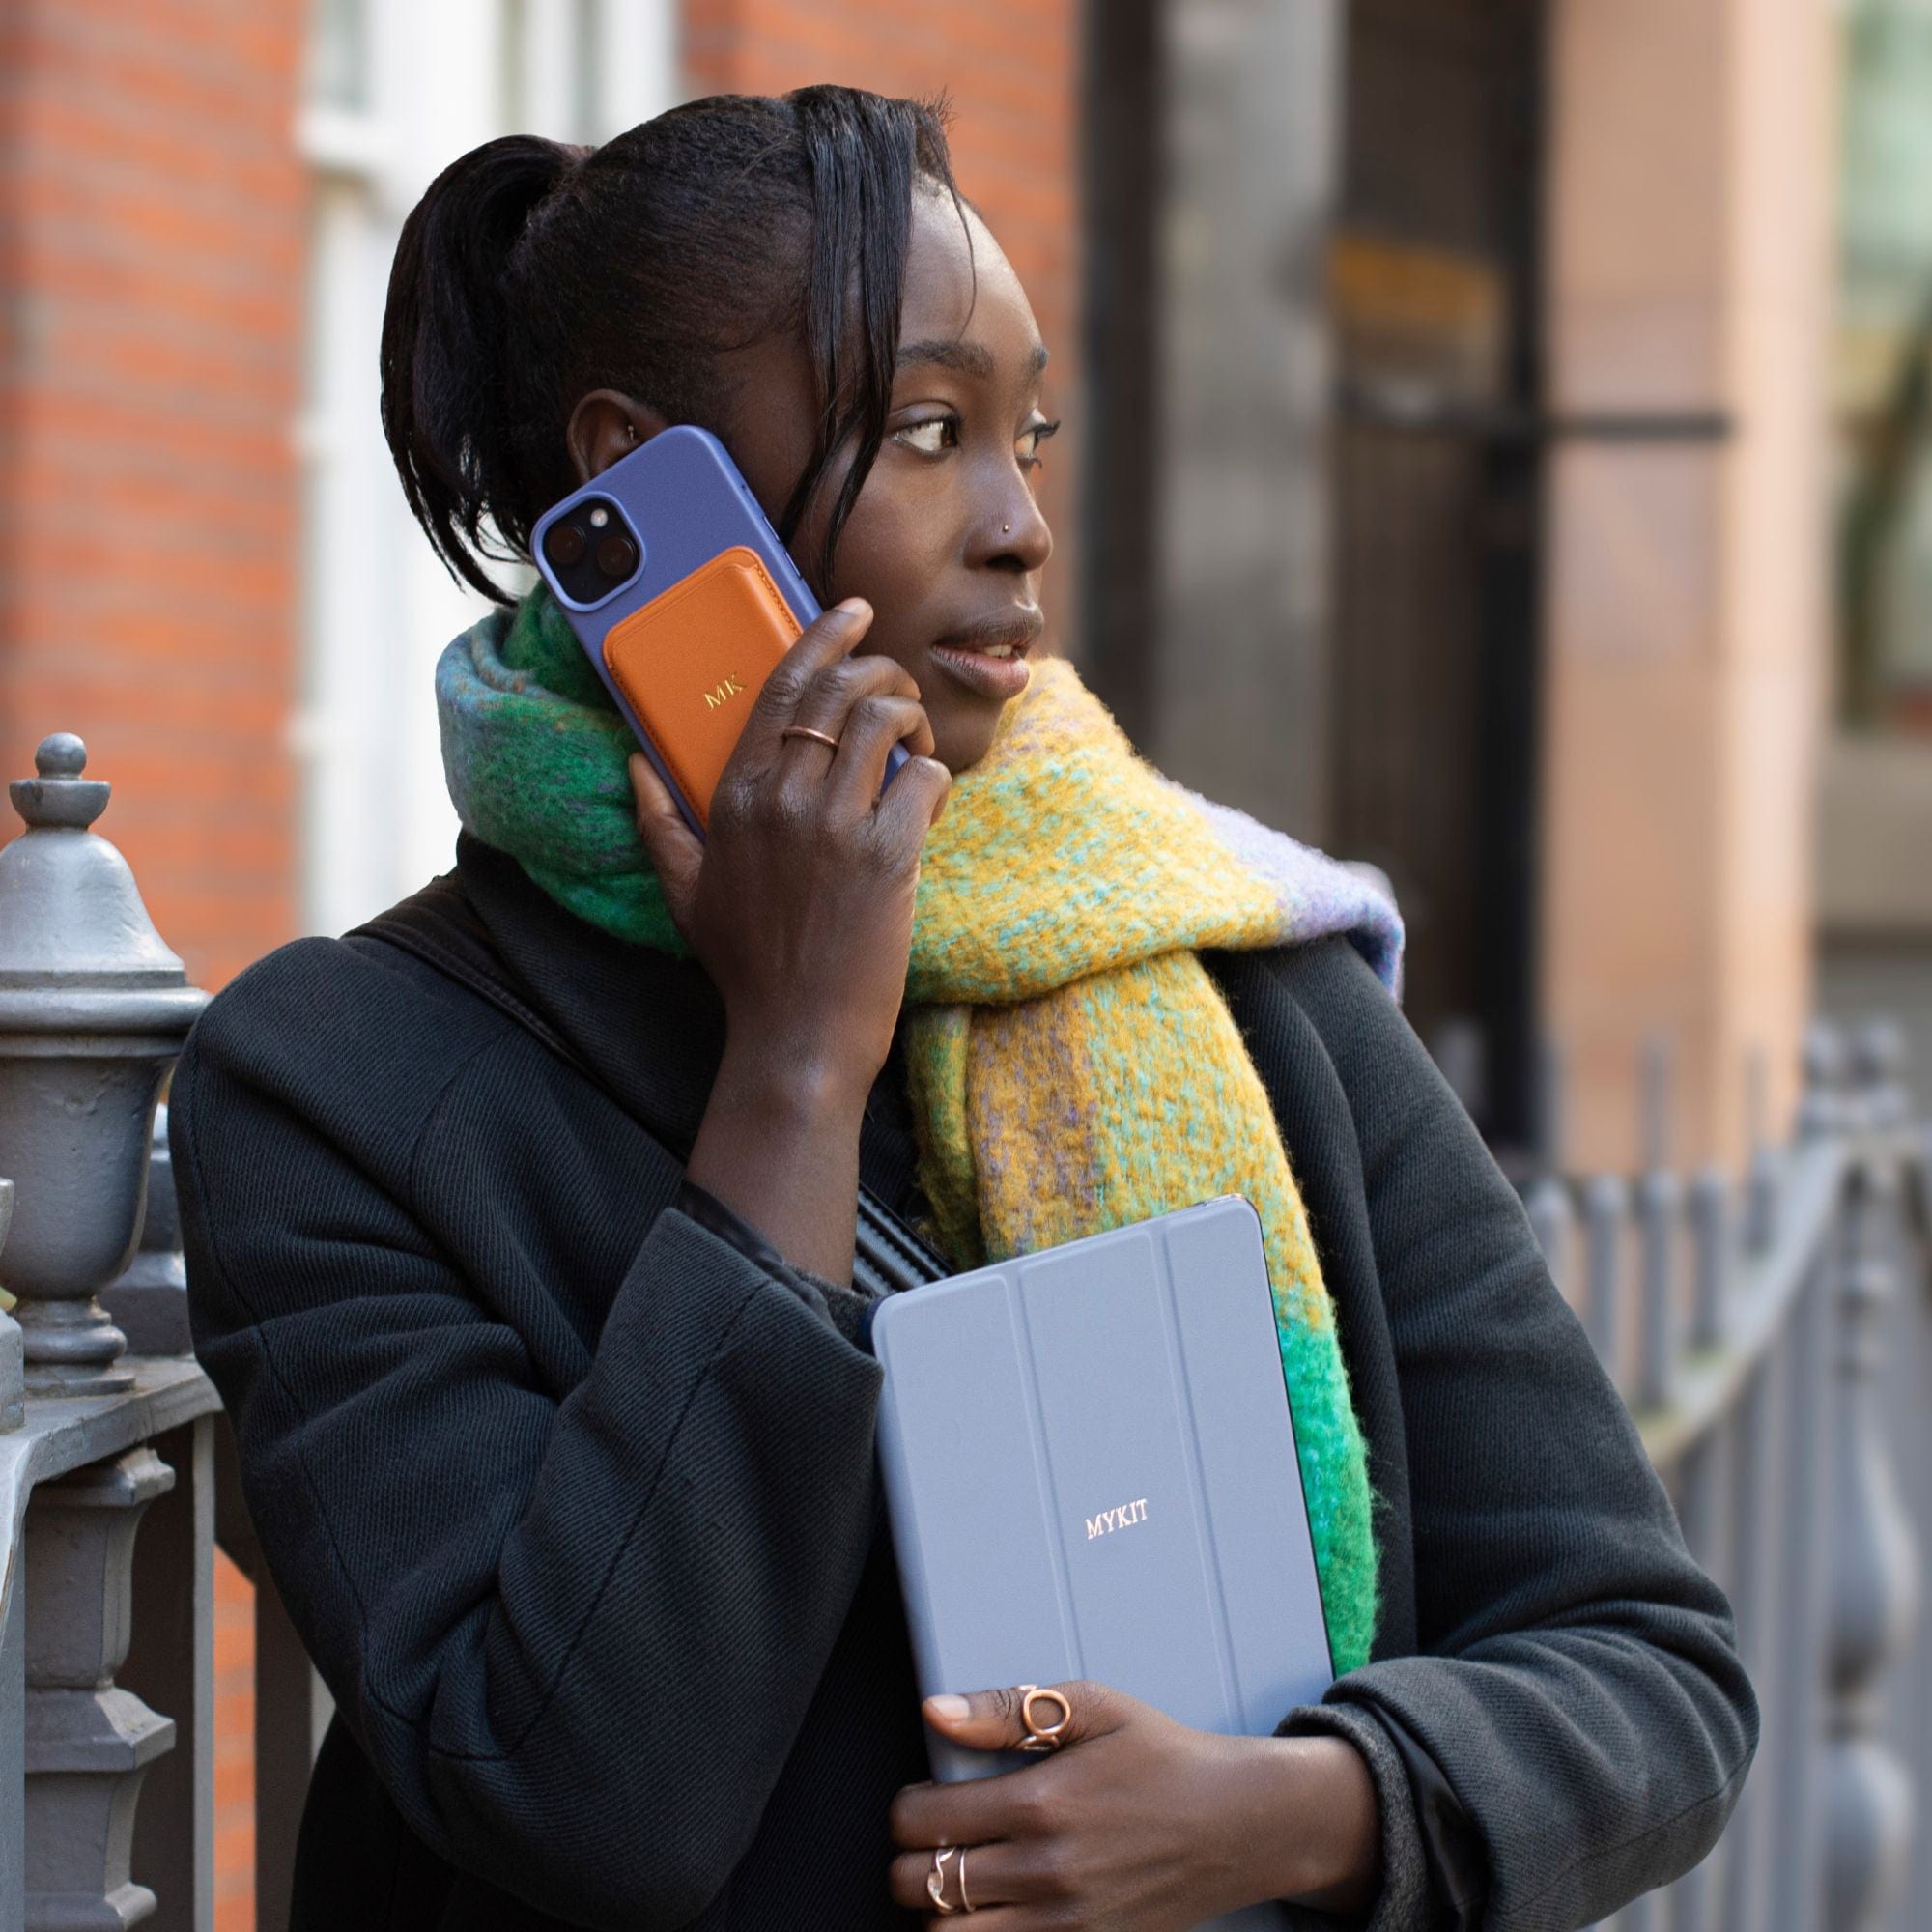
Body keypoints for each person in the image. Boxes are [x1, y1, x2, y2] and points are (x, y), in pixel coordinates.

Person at [170, 86, 1756, 1931]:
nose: (1020, 529)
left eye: (1031, 435)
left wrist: (1299, 1811)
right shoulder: (334, 1091)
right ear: (641, 476)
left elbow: (1650, 1666)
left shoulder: (1236, 972)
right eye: (930, 431)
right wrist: (794, 1068)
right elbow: (583, 1794)